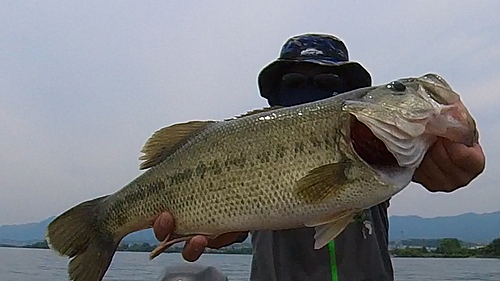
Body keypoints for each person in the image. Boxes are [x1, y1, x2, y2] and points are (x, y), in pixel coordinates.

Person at [152, 34, 485, 280]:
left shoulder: (384, 148)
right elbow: (235, 219)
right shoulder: (242, 145)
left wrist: (451, 152)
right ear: (275, 95)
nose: (309, 92)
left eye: (329, 82)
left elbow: (452, 159)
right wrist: (219, 227)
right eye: (293, 82)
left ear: (351, 99)